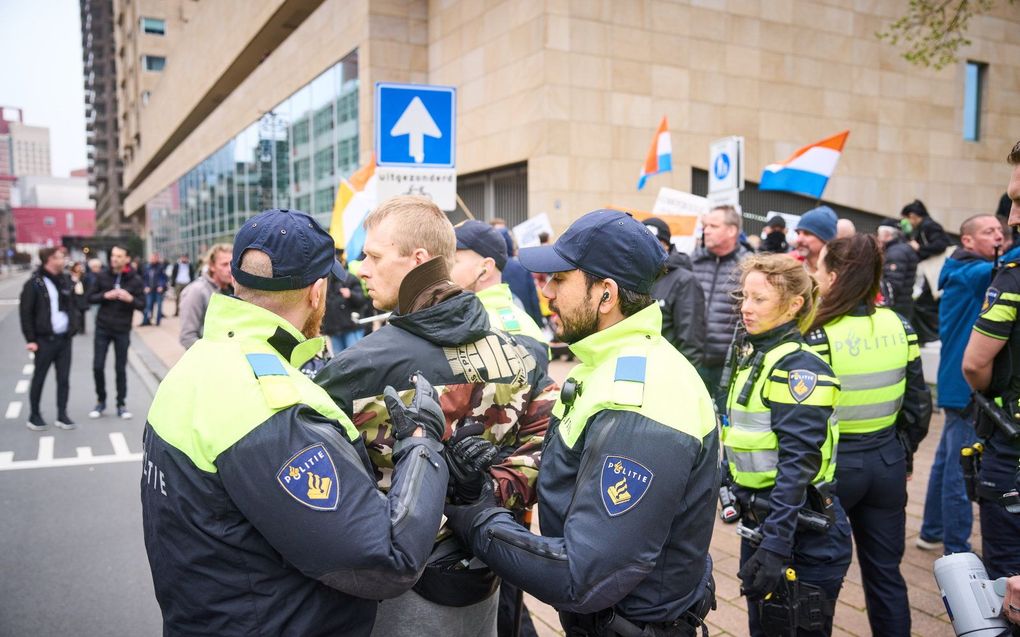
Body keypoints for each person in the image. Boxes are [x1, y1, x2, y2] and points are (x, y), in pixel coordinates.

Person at [140, 208, 450, 636]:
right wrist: (422, 444)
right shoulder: (274, 406)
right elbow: (386, 561)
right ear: (317, 292)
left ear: (236, 281)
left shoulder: (196, 365)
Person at [444, 208, 718, 637]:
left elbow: (583, 575)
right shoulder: (603, 363)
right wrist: (483, 482)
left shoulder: (640, 398)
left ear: (606, 295)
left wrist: (473, 516)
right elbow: (569, 477)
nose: (548, 292)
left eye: (561, 279)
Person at [315, 196, 557, 637]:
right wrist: (485, 495)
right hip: (484, 575)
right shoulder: (524, 355)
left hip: (392, 597)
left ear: (418, 259)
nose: (361, 267)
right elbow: (548, 453)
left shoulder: (354, 370)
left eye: (373, 256)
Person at [805, 234, 931, 637]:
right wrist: (904, 454)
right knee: (886, 575)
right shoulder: (901, 325)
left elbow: (808, 417)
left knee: (819, 580)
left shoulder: (817, 334)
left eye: (820, 267)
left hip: (835, 472)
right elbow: (918, 407)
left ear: (835, 276)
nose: (815, 274)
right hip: (886, 464)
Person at [722, 253, 851, 637]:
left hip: (801, 537)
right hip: (766, 526)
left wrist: (776, 546)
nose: (746, 308)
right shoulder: (757, 355)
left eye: (758, 299)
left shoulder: (800, 370)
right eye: (744, 297)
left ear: (794, 305)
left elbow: (798, 466)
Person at [918, 214, 1017, 554]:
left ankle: (931, 530)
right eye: (989, 231)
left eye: (999, 231)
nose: (998, 236)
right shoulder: (975, 273)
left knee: (946, 459)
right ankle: (957, 549)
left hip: (955, 383)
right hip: (966, 386)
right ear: (967, 241)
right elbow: (1007, 266)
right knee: (962, 470)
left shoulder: (963, 270)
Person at [961, 141, 1020, 581]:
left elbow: (974, 364)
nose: (1012, 220)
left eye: (1019, 203)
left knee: (1005, 583)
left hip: (1011, 451)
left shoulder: (1011, 279)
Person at [452, 220, 550, 365]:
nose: (443, 268)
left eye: (454, 261)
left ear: (485, 268)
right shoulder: (525, 322)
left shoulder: (473, 325)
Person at [692, 204, 751, 400]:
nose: (706, 230)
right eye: (705, 226)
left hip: (729, 365)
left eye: (713, 226)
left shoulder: (749, 266)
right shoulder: (693, 262)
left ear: (732, 230)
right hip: (693, 361)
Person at [20, 246, 81, 431]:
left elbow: (74, 303)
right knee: (39, 377)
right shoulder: (34, 283)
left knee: (63, 379)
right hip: (44, 340)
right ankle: (34, 415)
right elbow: (26, 313)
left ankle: (62, 415)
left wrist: (73, 327)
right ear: (49, 260)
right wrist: (30, 339)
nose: (63, 260)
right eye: (59, 257)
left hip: (64, 339)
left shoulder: (64, 281)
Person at [88, 245, 144, 420]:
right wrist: (106, 295)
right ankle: (101, 401)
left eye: (119, 256)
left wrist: (130, 299)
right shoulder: (102, 276)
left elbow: (142, 304)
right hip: (103, 327)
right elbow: (89, 298)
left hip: (122, 328)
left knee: (120, 368)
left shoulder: (135, 279)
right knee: (98, 365)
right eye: (113, 255)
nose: (114, 259)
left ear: (127, 259)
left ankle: (121, 404)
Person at [645, 216, 706, 367]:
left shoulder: (685, 281)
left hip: (667, 371)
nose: (646, 247)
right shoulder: (635, 277)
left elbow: (691, 340)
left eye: (654, 242)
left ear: (665, 245)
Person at [902, 199, 951, 344]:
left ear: (912, 216)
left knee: (924, 304)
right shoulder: (925, 227)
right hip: (932, 274)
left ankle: (931, 335)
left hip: (936, 272)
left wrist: (919, 248)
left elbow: (941, 245)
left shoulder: (929, 226)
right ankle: (930, 336)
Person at [177, 243, 233, 350]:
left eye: (232, 263)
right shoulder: (196, 291)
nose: (230, 269)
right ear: (212, 266)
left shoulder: (233, 289)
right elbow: (187, 337)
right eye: (224, 264)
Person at [496, 226, 545, 328]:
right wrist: (539, 323)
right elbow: (533, 298)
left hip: (500, 324)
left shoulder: (490, 267)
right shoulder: (521, 267)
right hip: (526, 323)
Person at [321, 250, 367, 355]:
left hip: (351, 326)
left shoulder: (350, 278)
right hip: (333, 328)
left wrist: (351, 294)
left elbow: (362, 300)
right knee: (340, 360)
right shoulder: (325, 282)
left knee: (356, 356)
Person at [877, 219, 919, 322]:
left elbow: (893, 284)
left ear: (887, 235)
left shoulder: (896, 252)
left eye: (879, 234)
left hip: (897, 307)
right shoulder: (901, 248)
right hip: (903, 304)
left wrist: (885, 304)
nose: (877, 238)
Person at [794, 205, 837, 274]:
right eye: (798, 233)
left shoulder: (840, 275)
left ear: (825, 239)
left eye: (807, 233)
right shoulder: (791, 269)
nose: (798, 240)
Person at [140, 252, 167, 326]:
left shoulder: (161, 267)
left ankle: (158, 322)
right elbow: (144, 279)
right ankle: (145, 321)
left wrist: (161, 286)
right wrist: (145, 287)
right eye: (151, 258)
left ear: (157, 258)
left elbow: (164, 278)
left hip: (158, 290)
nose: (153, 259)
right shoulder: (147, 267)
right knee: (148, 305)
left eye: (154, 258)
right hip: (149, 290)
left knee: (159, 306)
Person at [69, 261, 89, 335]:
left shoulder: (84, 276)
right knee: (75, 312)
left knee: (82, 313)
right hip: (74, 296)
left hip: (82, 296)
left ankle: (82, 328)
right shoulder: (71, 275)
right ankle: (76, 327)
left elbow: (87, 285)